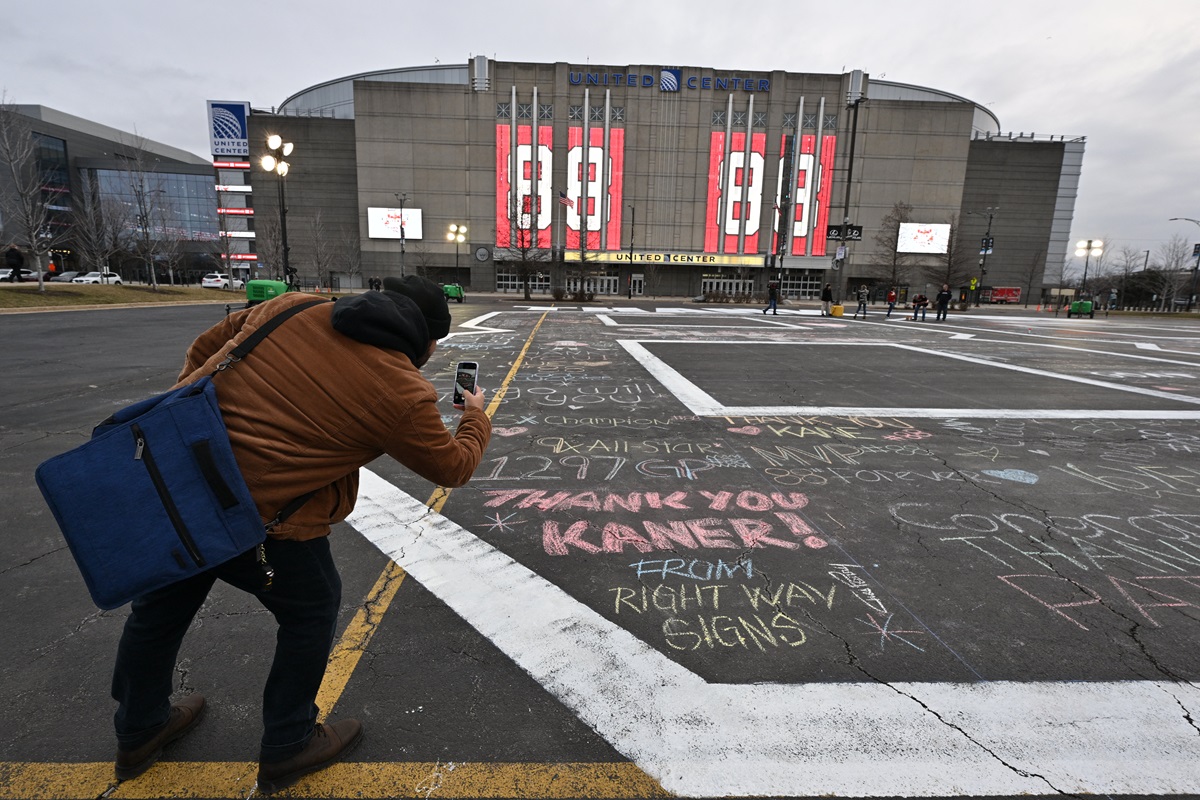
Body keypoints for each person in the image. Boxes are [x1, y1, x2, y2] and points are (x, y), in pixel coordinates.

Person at [109, 275, 492, 794]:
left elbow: (205, 348)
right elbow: (453, 467)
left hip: (177, 488)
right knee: (311, 609)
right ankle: (289, 743)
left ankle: (139, 729)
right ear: (424, 340)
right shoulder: (403, 390)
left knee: (157, 612)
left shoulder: (290, 307)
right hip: (262, 520)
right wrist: (476, 418)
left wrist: (208, 424)